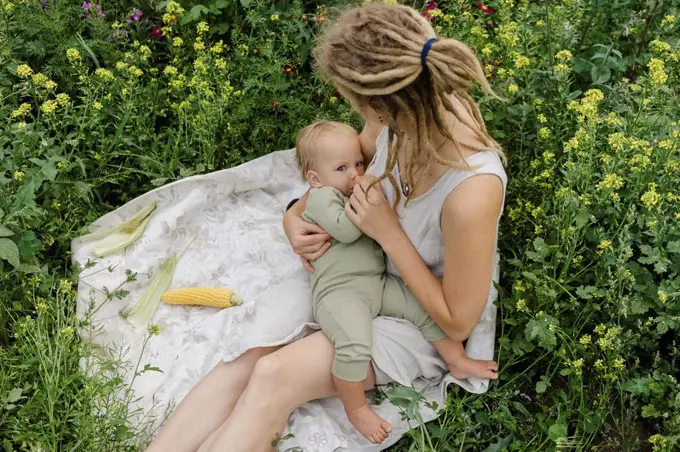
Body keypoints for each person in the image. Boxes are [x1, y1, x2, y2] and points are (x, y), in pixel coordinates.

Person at [145, 3, 506, 451]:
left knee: (274, 376)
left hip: (420, 310)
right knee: (248, 356)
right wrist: (295, 215)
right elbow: (344, 173)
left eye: (351, 99)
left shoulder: (471, 189)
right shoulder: (400, 110)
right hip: (353, 267)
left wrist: (387, 232)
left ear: (380, 102)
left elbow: (457, 321)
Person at [294, 120, 498, 444]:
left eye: (359, 164)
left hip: (377, 281)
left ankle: (456, 360)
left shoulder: (346, 186)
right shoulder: (321, 198)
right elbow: (347, 231)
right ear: (315, 179)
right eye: (342, 168)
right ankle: (356, 409)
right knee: (354, 344)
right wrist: (367, 199)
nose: (355, 174)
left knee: (420, 308)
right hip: (342, 292)